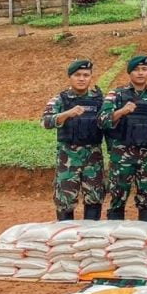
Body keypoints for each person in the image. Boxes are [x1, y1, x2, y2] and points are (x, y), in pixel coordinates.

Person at [99, 55, 147, 222]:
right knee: (118, 198)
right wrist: (121, 111)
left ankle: (146, 240)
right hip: (122, 155)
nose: (140, 73)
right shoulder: (116, 95)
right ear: (129, 73)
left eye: (144, 69)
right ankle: (115, 239)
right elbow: (102, 120)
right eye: (136, 70)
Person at [41, 59, 106, 221]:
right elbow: (45, 122)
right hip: (68, 157)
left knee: (95, 197)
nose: (82, 78)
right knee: (65, 199)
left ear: (91, 77)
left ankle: (89, 237)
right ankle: (66, 238)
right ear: (70, 77)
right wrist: (67, 114)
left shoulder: (99, 100)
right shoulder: (61, 100)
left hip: (93, 157)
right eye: (77, 75)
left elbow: (109, 124)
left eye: (86, 75)